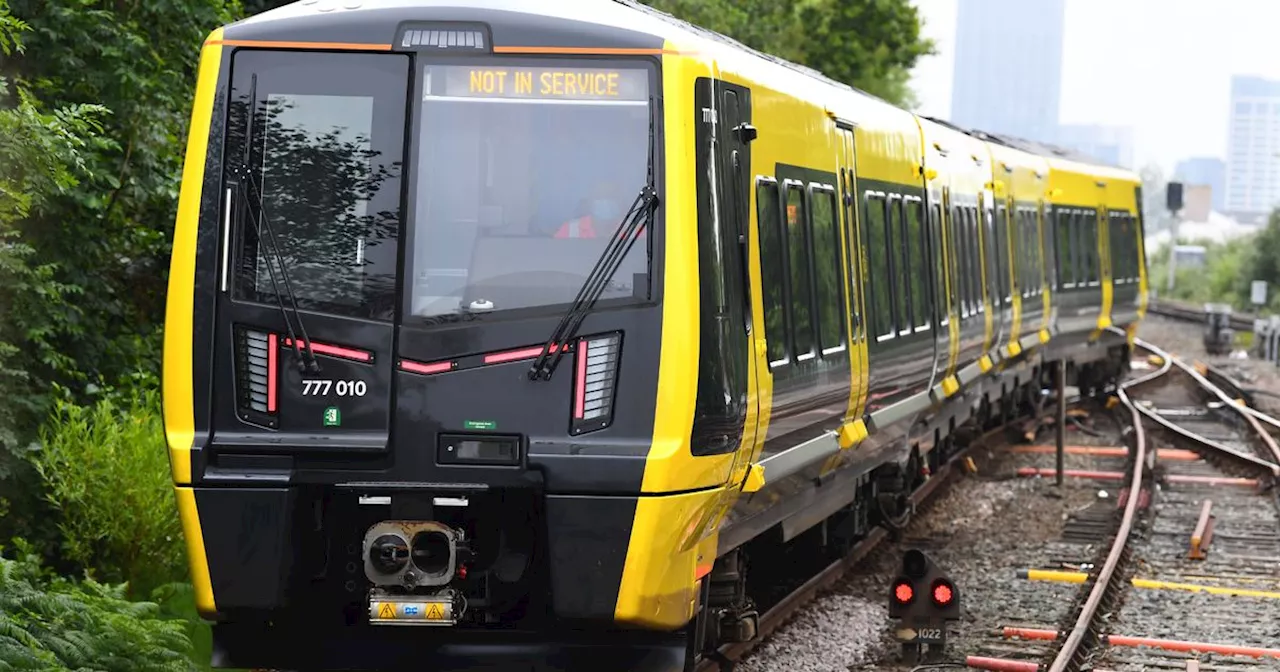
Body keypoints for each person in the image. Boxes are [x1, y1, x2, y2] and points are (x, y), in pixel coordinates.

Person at [554, 183, 623, 239]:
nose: (605, 202)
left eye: (610, 197)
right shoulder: (570, 230)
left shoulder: (629, 230)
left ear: (619, 201)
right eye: (599, 197)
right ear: (590, 202)